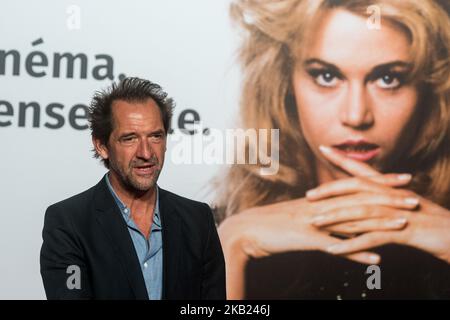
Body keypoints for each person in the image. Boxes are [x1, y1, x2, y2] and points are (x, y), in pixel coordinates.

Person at [215, 0, 450, 299]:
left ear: (429, 89)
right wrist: (231, 245)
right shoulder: (221, 230)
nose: (356, 115)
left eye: (388, 78)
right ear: (285, 83)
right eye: (327, 76)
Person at [40, 77, 226, 299]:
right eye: (130, 139)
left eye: (155, 136)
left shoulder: (198, 220)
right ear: (101, 146)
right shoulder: (69, 222)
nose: (146, 153)